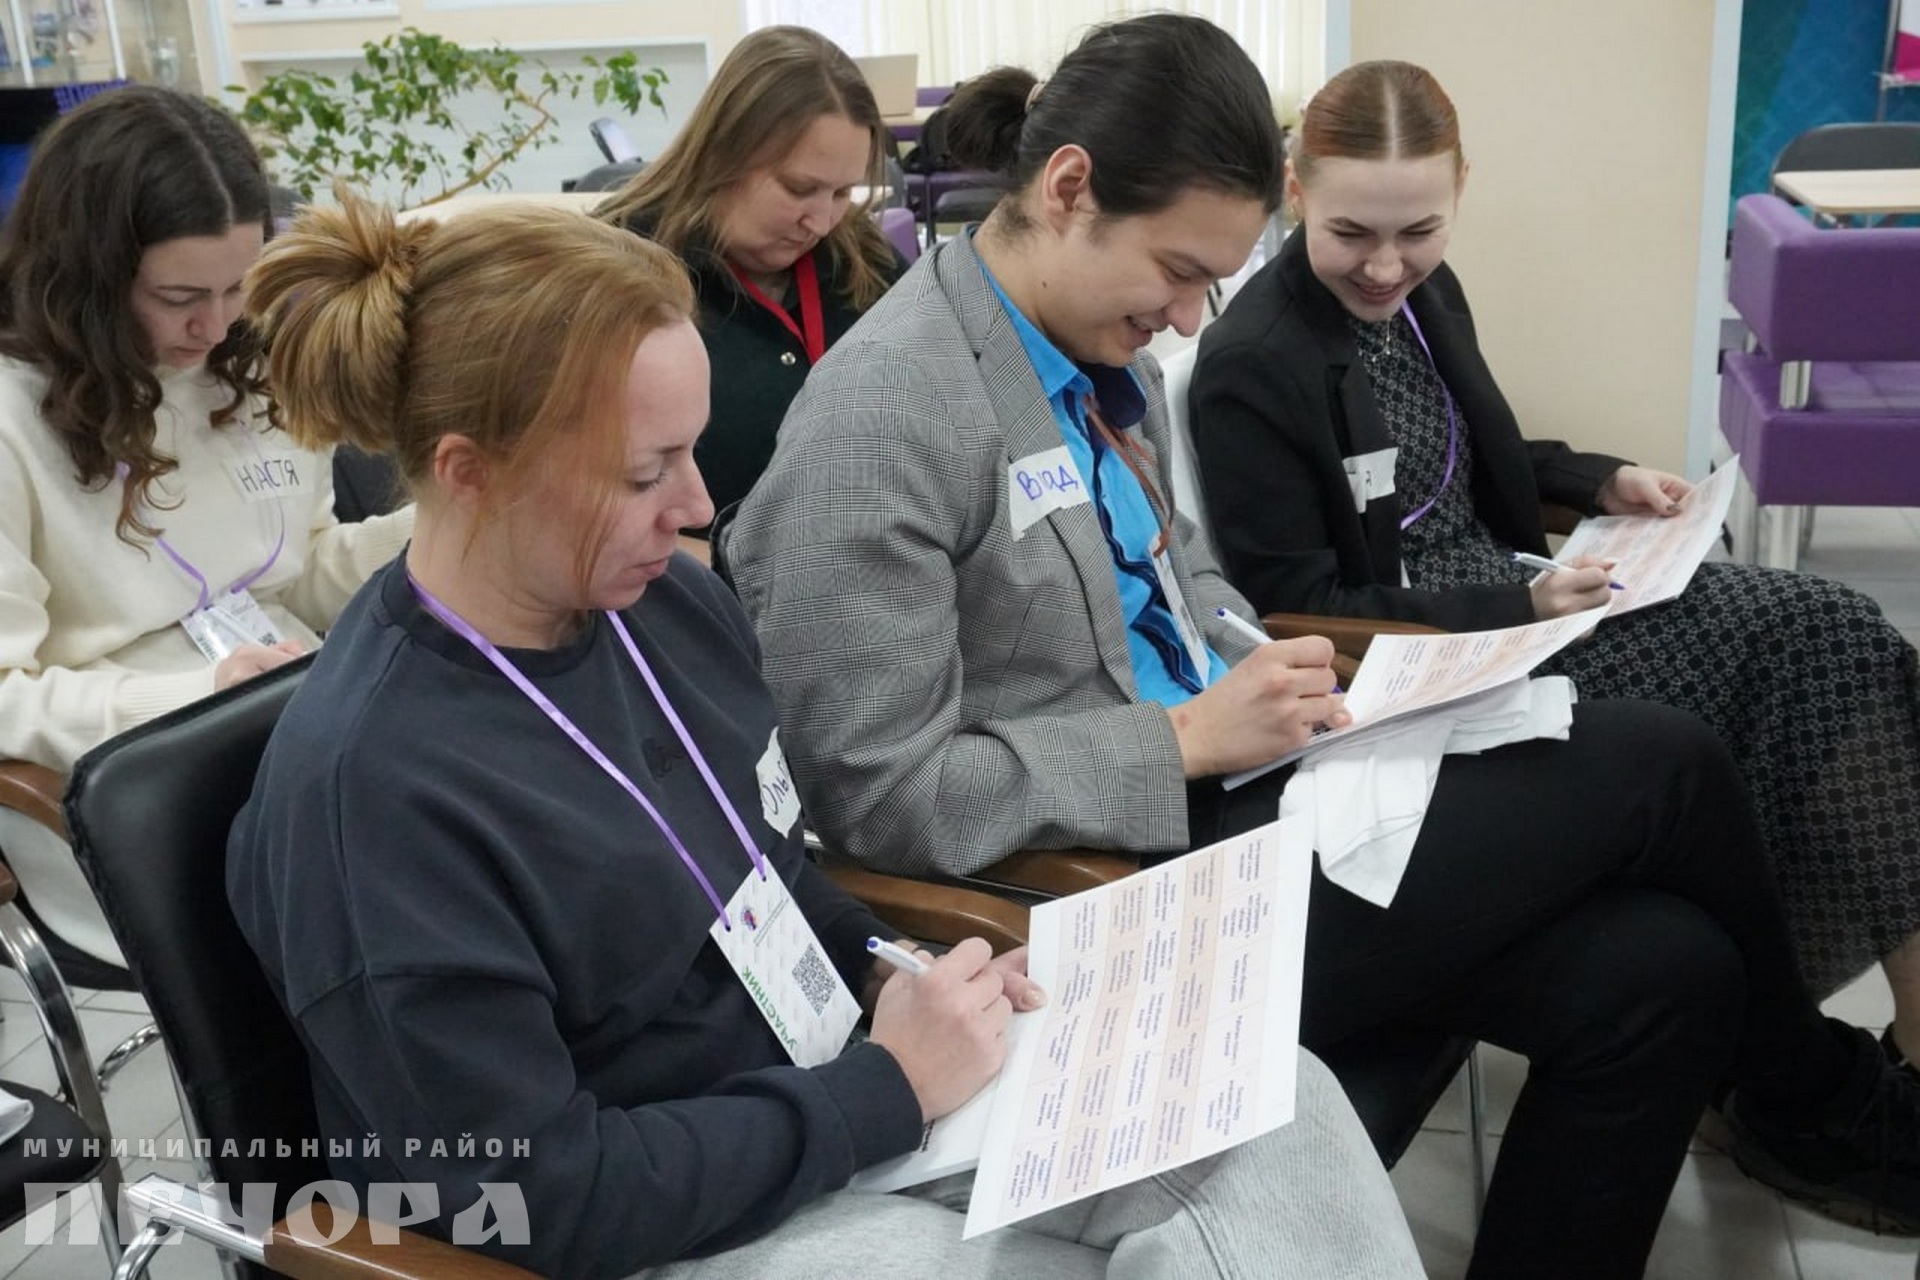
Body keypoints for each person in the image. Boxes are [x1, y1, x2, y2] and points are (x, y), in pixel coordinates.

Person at [727, 14, 1920, 1275]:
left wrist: (1304, 679)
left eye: (1212, 282)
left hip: (1263, 791)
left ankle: (1798, 1092)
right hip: (1125, 887)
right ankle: (1815, 1096)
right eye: (1178, 271)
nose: (1187, 318)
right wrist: (1182, 737)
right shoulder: (885, 417)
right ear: (1069, 188)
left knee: (1670, 974)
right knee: (1661, 763)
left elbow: (1184, 576)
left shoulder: (1080, 352)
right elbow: (878, 793)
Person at [226, 192, 1428, 1280]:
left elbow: (770, 869)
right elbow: (538, 1197)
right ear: (469, 471)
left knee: (1275, 1100)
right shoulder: (375, 800)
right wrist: (883, 1089)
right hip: (658, 1217)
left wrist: (897, 967)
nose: (698, 506)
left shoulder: (660, 607)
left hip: (829, 1097)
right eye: (646, 472)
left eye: (692, 451)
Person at [1187, 59, 1920, 1063]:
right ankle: (1797, 1048)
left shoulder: (1427, 299)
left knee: (1836, 632)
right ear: (1297, 190)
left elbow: (1459, 454)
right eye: (1352, 233)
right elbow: (1298, 601)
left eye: (1419, 231)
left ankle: (1817, 1034)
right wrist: (1519, 605)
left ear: (1460, 190)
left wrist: (1600, 478)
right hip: (1447, 657)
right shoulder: (1255, 362)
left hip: (1525, 599)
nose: (1387, 267)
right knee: (1813, 656)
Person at [0, 86, 411, 967]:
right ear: (87, 276)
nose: (215, 325)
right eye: (179, 295)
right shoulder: (10, 417)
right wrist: (198, 694)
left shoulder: (247, 371)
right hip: (123, 782)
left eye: (238, 287)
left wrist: (440, 528)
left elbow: (299, 578)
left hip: (288, 726)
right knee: (422, 880)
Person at [595, 25, 904, 527]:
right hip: (690, 568)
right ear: (724, 153)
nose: (821, 222)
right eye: (799, 188)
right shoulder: (614, 270)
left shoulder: (865, 258)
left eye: (842, 193)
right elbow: (580, 499)